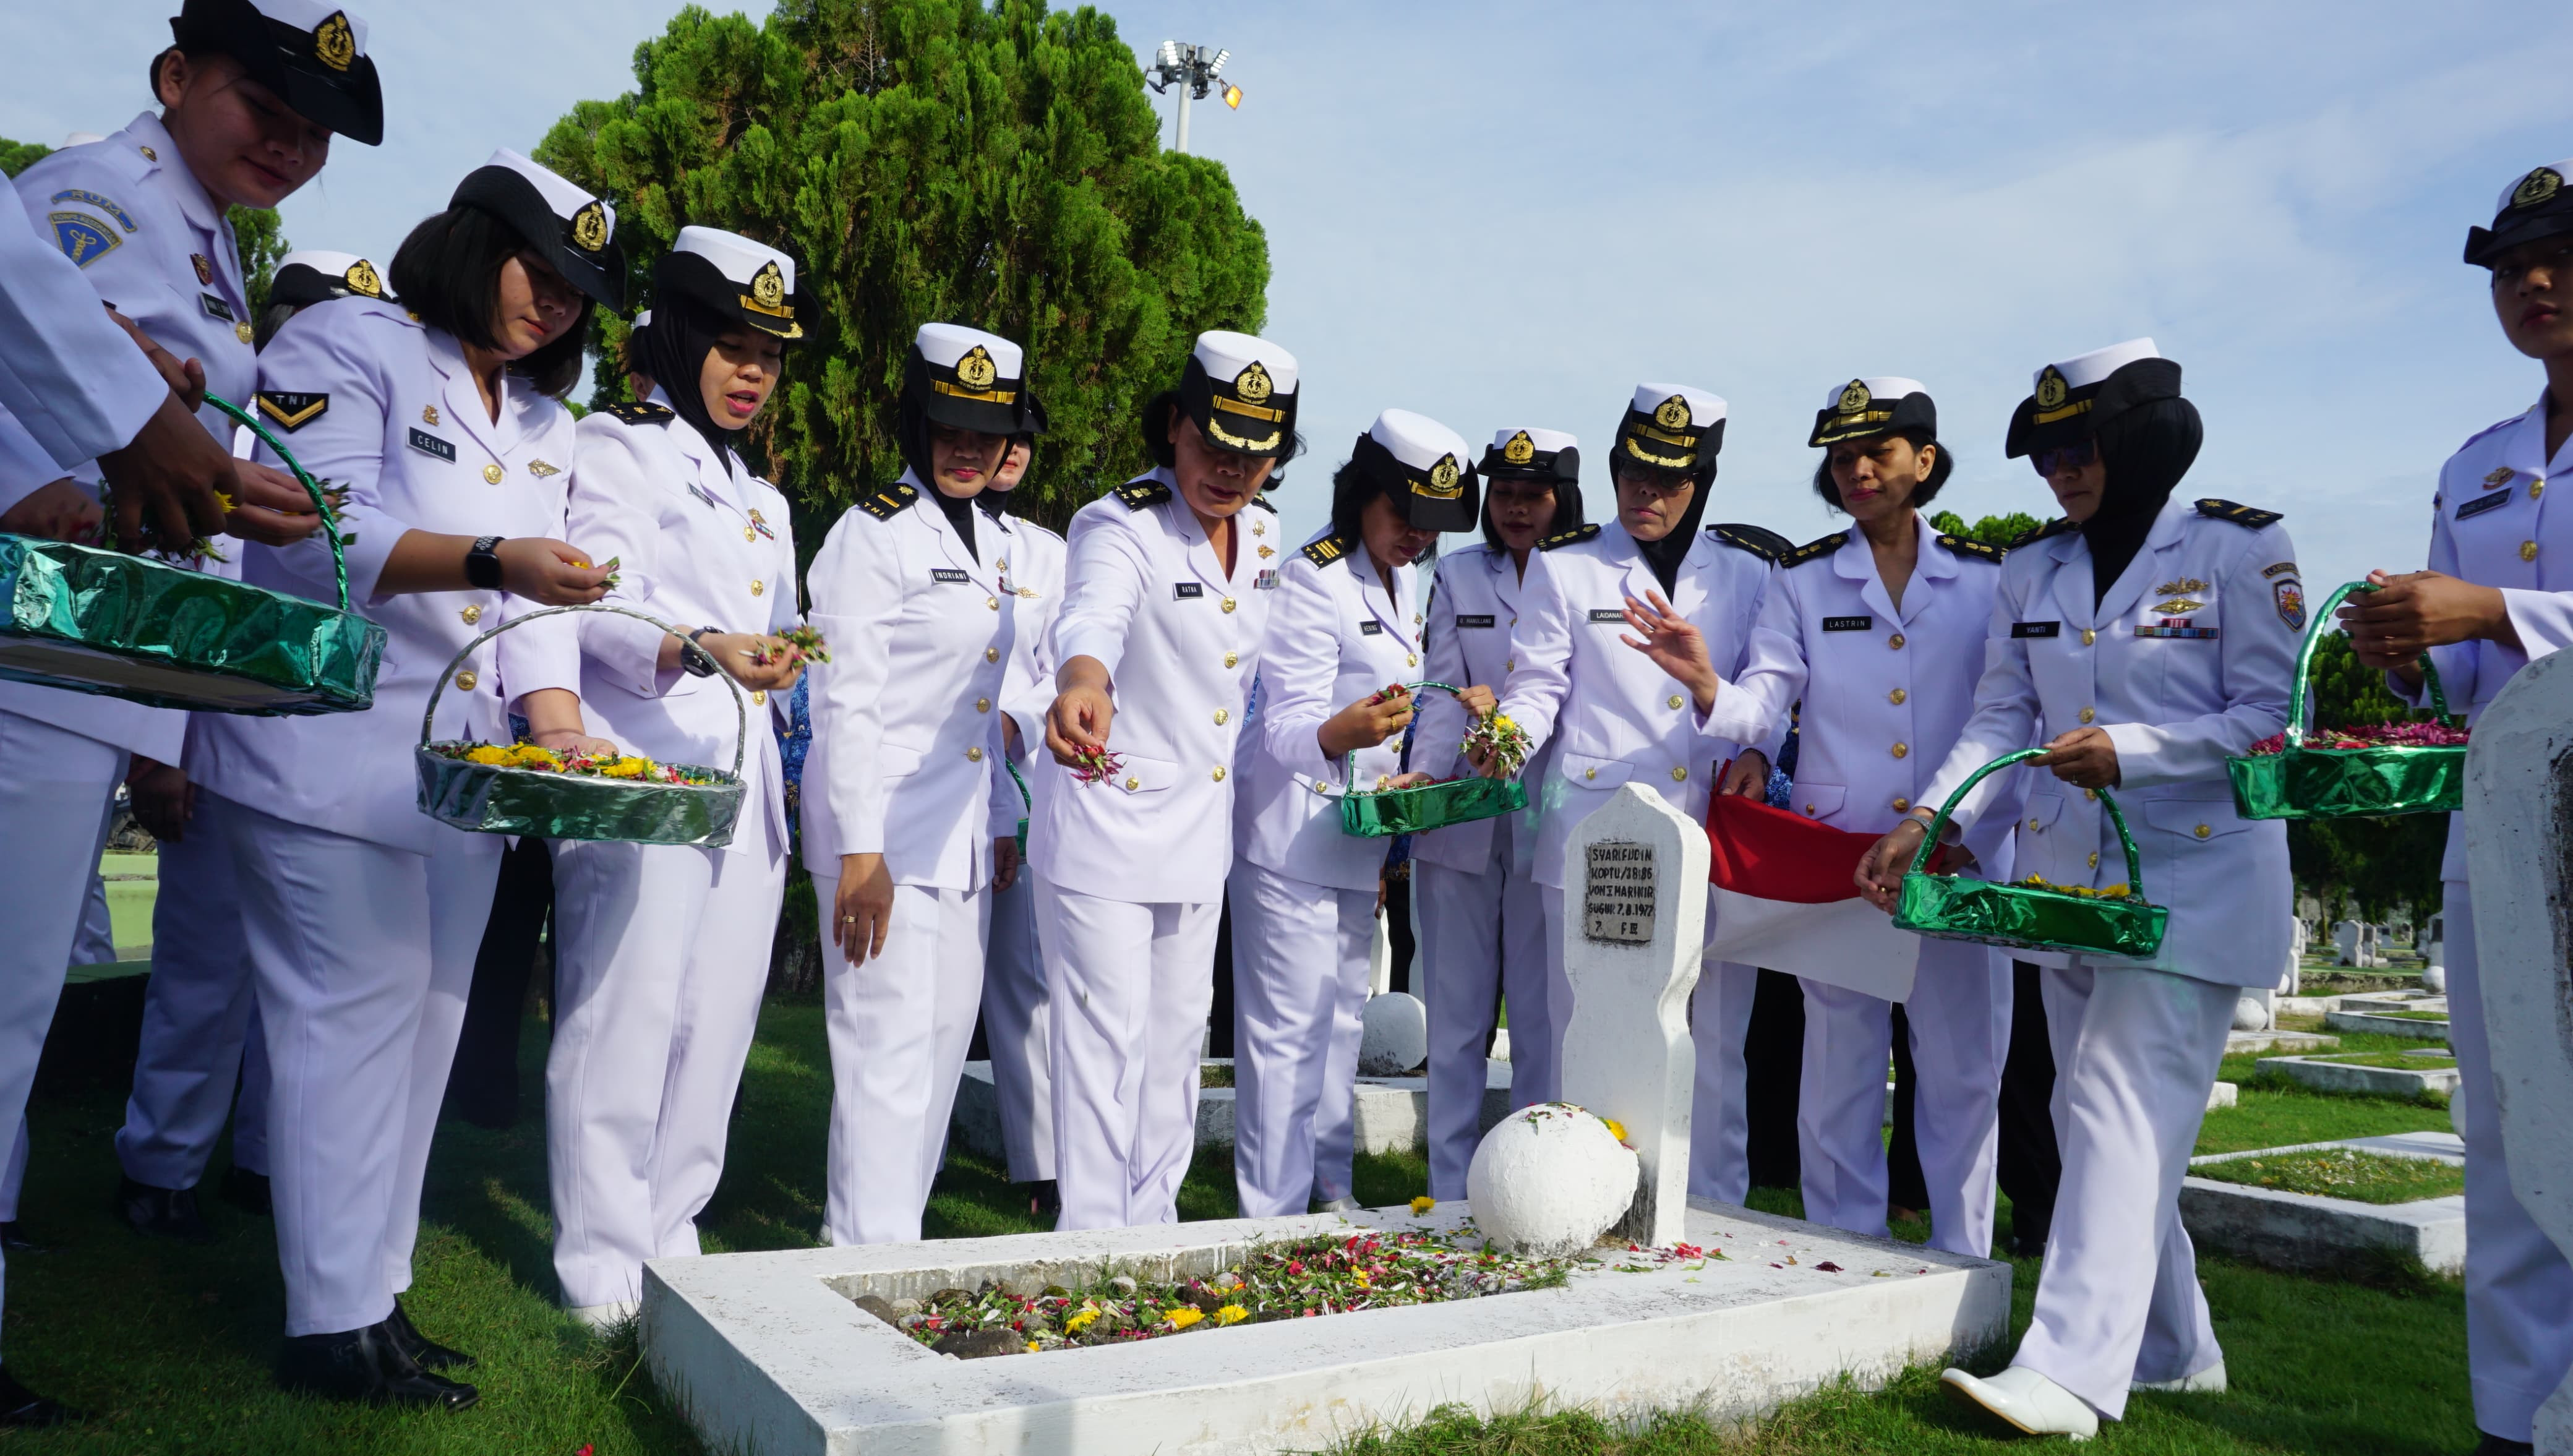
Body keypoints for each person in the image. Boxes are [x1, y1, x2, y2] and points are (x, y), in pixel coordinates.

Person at [190, 147, 620, 1407]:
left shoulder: (544, 420)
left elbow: (543, 613)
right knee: (348, 1027)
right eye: (533, 267)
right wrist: (493, 554)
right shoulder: (350, 342)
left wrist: (562, 721)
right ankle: (326, 1325)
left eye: (576, 287)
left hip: (456, 782)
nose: (551, 301)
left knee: (424, 1038)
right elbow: (312, 531)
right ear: (469, 237)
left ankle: (374, 1298)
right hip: (324, 753)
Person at [0, 2, 372, 1422]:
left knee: (23, 998)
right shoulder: (98, 194)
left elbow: (179, 470)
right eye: (260, 105)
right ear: (175, 80)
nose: (288, 140)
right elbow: (26, 370)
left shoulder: (209, 239)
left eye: (313, 128)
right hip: (38, 624)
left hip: (99, 645)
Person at [1854, 340, 2297, 1440]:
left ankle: (2067, 1373)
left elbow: (2268, 720)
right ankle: (2174, 1346)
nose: (2060, 471)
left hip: (2195, 875)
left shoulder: (2242, 548)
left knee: (2110, 1103)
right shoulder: (2034, 568)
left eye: (2080, 446)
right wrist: (1932, 819)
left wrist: (2134, 749)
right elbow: (2004, 716)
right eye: (2046, 454)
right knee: (2091, 1113)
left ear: (2142, 441)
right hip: (2070, 885)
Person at [510, 226, 809, 1325]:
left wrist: (773, 656)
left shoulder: (766, 498)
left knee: (718, 1022)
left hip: (742, 785)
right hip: (640, 767)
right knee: (623, 1017)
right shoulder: (620, 442)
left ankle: (675, 1239)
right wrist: (696, 642)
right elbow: (590, 601)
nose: (752, 373)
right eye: (732, 346)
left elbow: (765, 631)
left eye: (769, 355)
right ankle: (600, 1265)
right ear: (679, 339)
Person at [2339, 158, 2573, 1456]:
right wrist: (2405, 645)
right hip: (2498, 833)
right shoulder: (2475, 466)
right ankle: (2515, 1420)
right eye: (2508, 269)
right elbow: (2464, 669)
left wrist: (2490, 609)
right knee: (2507, 1136)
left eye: (2560, 258)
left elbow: (2495, 623)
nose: (2533, 283)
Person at [1701, 378, 2013, 1257]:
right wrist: (1727, 710)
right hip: (1842, 860)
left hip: (1958, 853)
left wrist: (1957, 823)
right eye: (1843, 457)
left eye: (1879, 451)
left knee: (1960, 1071)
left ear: (1927, 459)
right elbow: (1770, 690)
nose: (1860, 469)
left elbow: (2009, 710)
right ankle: (1844, 1257)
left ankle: (1963, 1263)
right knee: (1838, 1066)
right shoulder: (1801, 581)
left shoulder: (1990, 580)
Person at [113, 250, 387, 1241]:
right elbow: (172, 602)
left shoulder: (349, 451)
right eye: (317, 318)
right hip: (213, 738)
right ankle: (161, 1165)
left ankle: (267, 1165)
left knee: (302, 989)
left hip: (317, 750)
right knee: (203, 969)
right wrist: (159, 750)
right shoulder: (197, 433)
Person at [1483, 383, 1776, 1200]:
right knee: (1583, 1032)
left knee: (1712, 1039)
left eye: (1668, 480)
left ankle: (1715, 1210)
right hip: (1593, 835)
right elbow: (1537, 683)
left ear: (1702, 483)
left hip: (1706, 838)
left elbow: (1770, 695)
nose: (1645, 494)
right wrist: (1505, 738)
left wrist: (1757, 745)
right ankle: (1571, 1201)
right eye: (1632, 474)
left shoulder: (1747, 576)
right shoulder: (1569, 566)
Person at [1035, 331, 1298, 1230]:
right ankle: (1093, 1245)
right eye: (1213, 446)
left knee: (1176, 1051)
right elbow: (1094, 611)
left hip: (1197, 837)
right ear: (1176, 425)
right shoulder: (1121, 522)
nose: (1230, 471)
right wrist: (1082, 678)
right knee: (1104, 1047)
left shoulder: (1263, 535)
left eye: (1254, 455)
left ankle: (1151, 1235)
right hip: (1108, 827)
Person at [802, 323, 1036, 1244]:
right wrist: (864, 850)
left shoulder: (988, 539)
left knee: (937, 1058)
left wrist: (1004, 814)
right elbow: (845, 702)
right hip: (882, 839)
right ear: (916, 418)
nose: (969, 446)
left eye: (989, 428)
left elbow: (982, 708)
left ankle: (886, 1247)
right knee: (883, 1061)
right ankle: (858, 1261)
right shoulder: (874, 534)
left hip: (959, 842)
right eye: (952, 423)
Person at [1233, 409, 1489, 1217]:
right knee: (1287, 1039)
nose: (1417, 533)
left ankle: (1330, 1189)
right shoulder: (1314, 573)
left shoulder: (1399, 575)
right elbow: (1285, 728)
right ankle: (1269, 1217)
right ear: (1362, 495)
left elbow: (1401, 699)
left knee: (1341, 1024)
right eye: (1403, 514)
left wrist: (1422, 758)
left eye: (1432, 523)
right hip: (1291, 837)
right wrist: (1339, 735)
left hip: (1357, 840)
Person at [1408, 425, 1583, 1197]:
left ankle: (1531, 1183)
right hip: (1464, 815)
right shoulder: (1454, 574)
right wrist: (1426, 773)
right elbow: (1441, 691)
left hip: (1549, 812)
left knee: (1544, 1019)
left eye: (1532, 495)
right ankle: (1450, 1185)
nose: (1515, 509)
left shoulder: (1586, 571)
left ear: (1562, 499)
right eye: (1504, 493)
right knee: (1453, 1015)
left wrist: (1509, 716)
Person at [981, 424, 1068, 1215]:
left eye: (1021, 438)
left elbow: (1060, 668)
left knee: (1022, 975)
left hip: (1017, 770)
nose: (1009, 450)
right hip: (932, 776)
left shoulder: (1048, 551)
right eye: (993, 434)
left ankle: (1039, 1161)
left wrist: (1010, 722)